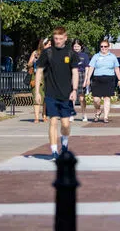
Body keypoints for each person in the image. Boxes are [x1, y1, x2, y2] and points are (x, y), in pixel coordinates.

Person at [34, 27, 79, 161]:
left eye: (60, 38)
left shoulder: (71, 53)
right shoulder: (48, 53)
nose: (58, 41)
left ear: (65, 38)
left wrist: (74, 90)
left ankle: (64, 145)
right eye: (55, 39)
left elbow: (75, 72)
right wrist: (37, 91)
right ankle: (54, 151)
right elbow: (39, 71)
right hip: (51, 93)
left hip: (66, 94)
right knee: (53, 121)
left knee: (65, 124)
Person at [84, 40, 120, 123]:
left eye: (105, 46)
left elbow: (117, 68)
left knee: (107, 98)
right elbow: (91, 68)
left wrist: (119, 79)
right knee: (96, 99)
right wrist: (88, 79)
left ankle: (105, 117)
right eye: (102, 46)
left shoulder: (113, 56)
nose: (103, 48)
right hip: (97, 79)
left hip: (109, 79)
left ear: (108, 47)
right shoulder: (96, 56)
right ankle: (98, 110)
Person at [27, 38, 50, 123]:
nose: (50, 46)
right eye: (49, 44)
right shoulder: (35, 53)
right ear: (43, 45)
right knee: (36, 96)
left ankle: (44, 115)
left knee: (45, 97)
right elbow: (29, 64)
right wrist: (33, 61)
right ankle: (36, 117)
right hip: (36, 76)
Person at [72, 40, 90, 122]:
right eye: (75, 46)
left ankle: (84, 114)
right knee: (72, 97)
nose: (76, 48)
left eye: (78, 46)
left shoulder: (84, 56)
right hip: (72, 75)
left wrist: (86, 80)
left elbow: (87, 68)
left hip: (81, 75)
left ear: (81, 47)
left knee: (81, 98)